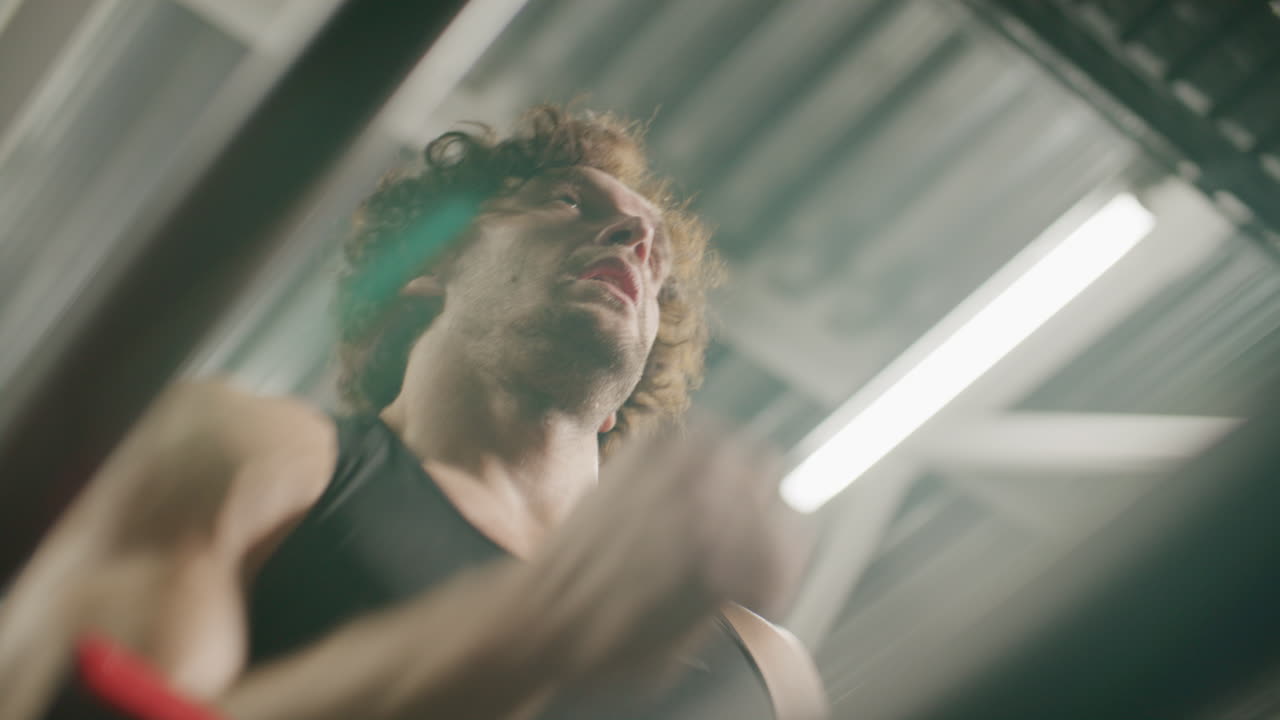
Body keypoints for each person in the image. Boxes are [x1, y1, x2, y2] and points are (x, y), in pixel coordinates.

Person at [0, 106, 826, 720]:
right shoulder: (249, 452)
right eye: (571, 202)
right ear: (431, 265)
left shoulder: (765, 668)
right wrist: (535, 626)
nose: (632, 240)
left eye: (655, 252)